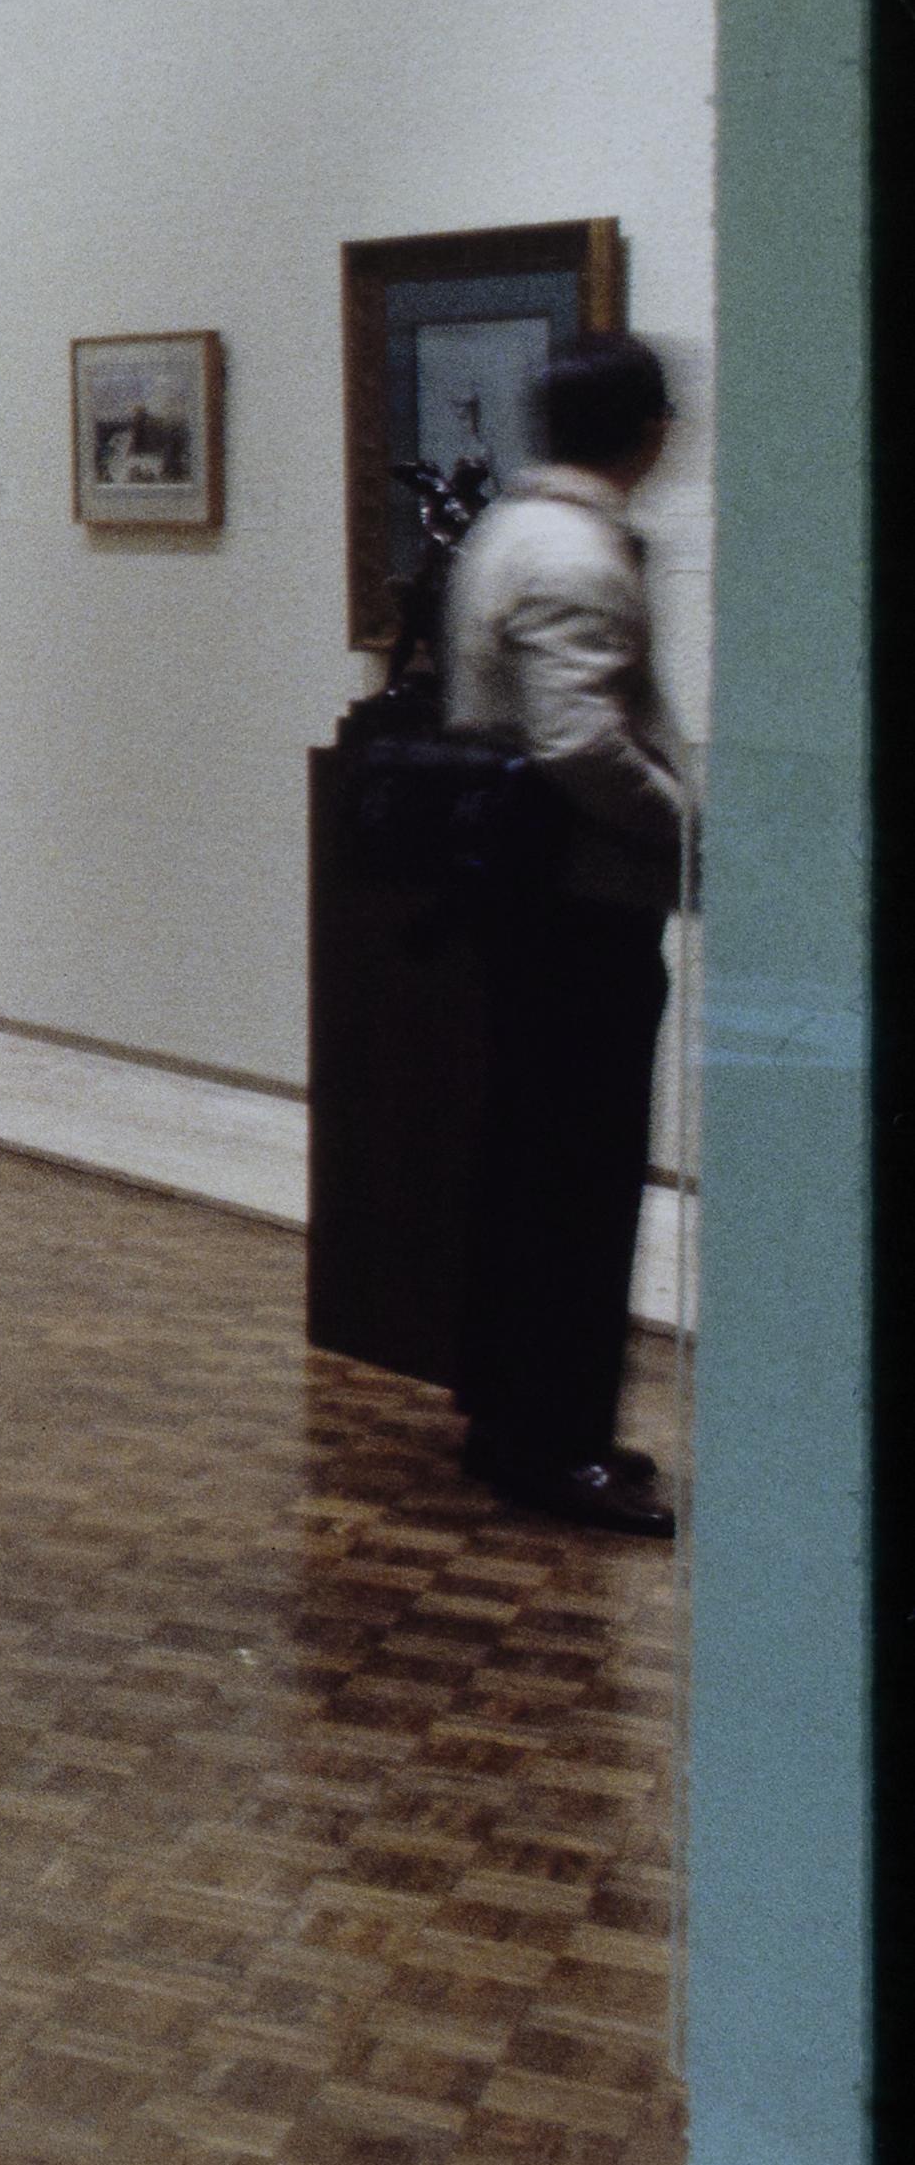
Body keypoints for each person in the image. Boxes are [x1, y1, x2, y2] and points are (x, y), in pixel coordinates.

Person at [435, 330, 698, 1536]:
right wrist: (688, 833)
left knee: (529, 1162)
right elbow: (579, 740)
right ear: (646, 431)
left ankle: (510, 1415)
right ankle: (553, 1441)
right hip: (581, 901)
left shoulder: (511, 529)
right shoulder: (577, 554)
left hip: (531, 901)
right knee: (578, 1178)